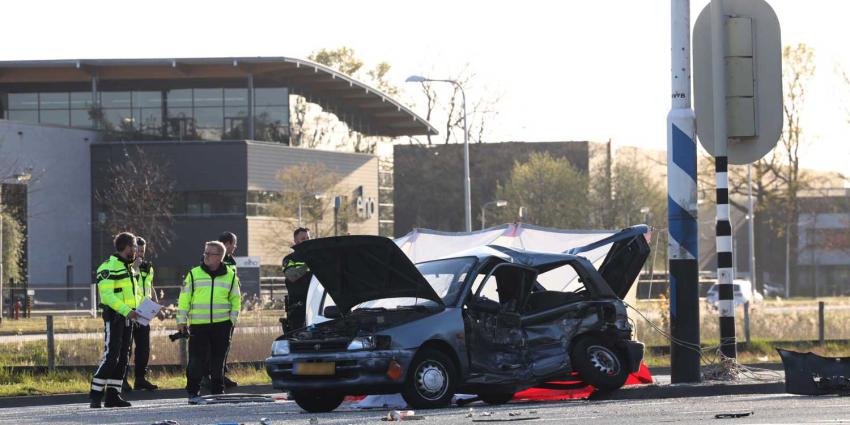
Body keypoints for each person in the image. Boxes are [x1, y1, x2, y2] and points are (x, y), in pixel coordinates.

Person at [178, 241, 241, 404]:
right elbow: (184, 298)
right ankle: (193, 392)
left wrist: (231, 321)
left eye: (209, 254)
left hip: (222, 325)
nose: (205, 256)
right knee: (196, 361)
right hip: (199, 325)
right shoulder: (194, 274)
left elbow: (236, 300)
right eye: (205, 252)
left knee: (218, 360)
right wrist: (181, 320)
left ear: (220, 257)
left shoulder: (231, 275)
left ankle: (218, 391)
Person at [90, 232, 143, 409]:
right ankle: (96, 395)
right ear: (126, 247)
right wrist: (127, 311)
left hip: (128, 318)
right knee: (111, 356)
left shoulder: (129, 268)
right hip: (114, 318)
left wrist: (142, 309)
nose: (136, 250)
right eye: (134, 246)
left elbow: (134, 294)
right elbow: (108, 296)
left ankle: (113, 396)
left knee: (123, 358)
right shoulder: (108, 267)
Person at [122, 236, 159, 392]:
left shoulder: (148, 267)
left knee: (143, 347)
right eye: (138, 250)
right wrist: (134, 268)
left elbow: (150, 285)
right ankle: (121, 379)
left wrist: (156, 302)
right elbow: (125, 284)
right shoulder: (126, 266)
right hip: (130, 312)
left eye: (143, 251)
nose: (141, 254)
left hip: (144, 313)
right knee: (126, 348)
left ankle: (140, 379)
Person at [216, 231, 239, 389]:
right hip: (218, 309)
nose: (235, 247)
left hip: (229, 307)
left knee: (225, 344)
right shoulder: (214, 259)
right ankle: (214, 375)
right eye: (234, 244)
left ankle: (221, 374)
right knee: (216, 345)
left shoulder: (231, 260)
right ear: (228, 243)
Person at [282, 227, 312, 333]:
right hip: (298, 307)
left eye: (308, 238)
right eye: (303, 239)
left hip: (316, 305)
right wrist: (309, 263)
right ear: (295, 241)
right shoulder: (289, 259)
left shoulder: (318, 256)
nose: (307, 241)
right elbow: (291, 275)